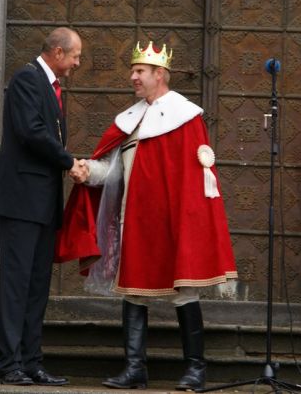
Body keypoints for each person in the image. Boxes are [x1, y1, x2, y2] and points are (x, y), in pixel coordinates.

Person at [57, 41, 238, 390]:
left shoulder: (186, 117)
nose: (133, 77)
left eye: (139, 71)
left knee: (184, 292)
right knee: (133, 293)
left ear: (160, 75)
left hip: (172, 222)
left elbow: (196, 182)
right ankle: (135, 369)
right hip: (134, 222)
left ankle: (195, 370)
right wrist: (87, 171)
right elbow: (115, 173)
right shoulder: (131, 119)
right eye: (133, 71)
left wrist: (190, 226)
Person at [0, 27, 86, 386]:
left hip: (42, 202)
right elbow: (31, 131)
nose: (76, 63)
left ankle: (31, 361)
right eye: (74, 56)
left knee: (37, 286)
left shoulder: (51, 85)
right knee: (17, 284)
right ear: (57, 52)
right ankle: (9, 363)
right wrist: (68, 161)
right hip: (21, 199)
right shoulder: (27, 78)